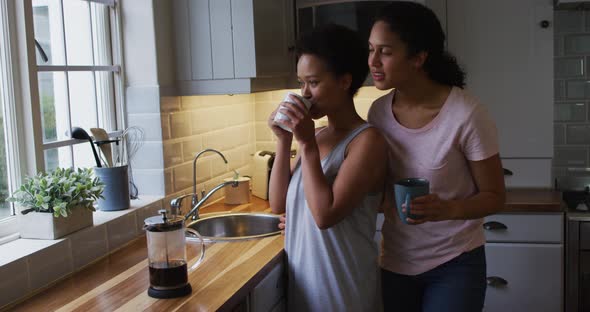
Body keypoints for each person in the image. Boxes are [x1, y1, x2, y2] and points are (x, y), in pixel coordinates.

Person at [367, 2, 506, 312]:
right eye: (371, 49)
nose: (373, 62)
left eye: (386, 52)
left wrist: (447, 209)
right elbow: (374, 189)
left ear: (418, 57)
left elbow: (495, 197)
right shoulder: (378, 113)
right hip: (394, 260)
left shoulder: (467, 114)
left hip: (455, 263)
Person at [268, 24, 388, 312]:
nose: (304, 94)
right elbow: (277, 204)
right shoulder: (318, 135)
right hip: (305, 291)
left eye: (313, 82)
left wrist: (306, 144)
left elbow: (325, 215)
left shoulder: (367, 141)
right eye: (301, 83)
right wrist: (284, 141)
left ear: (345, 81)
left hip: (343, 292)